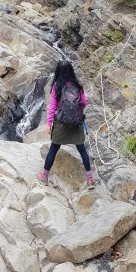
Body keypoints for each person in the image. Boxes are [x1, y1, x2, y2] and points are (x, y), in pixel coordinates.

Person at [37, 61, 95, 189]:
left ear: (58, 72)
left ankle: (44, 176)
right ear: (71, 71)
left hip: (61, 123)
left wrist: (49, 124)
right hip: (76, 123)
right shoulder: (77, 86)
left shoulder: (57, 86)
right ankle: (90, 179)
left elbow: (52, 107)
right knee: (82, 150)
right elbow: (84, 103)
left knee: (53, 148)